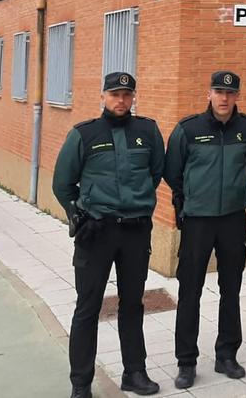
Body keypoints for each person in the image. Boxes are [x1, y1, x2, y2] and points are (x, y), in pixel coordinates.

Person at [52, 72, 165, 398]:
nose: (121, 100)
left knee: (133, 304)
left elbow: (155, 172)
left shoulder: (147, 131)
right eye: (115, 94)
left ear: (133, 98)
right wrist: (78, 215)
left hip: (135, 232)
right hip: (97, 233)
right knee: (87, 308)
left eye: (127, 95)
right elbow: (62, 183)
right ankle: (81, 384)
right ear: (103, 96)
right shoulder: (84, 134)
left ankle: (135, 373)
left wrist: (134, 200)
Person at [163, 70, 246, 389]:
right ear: (209, 93)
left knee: (231, 288)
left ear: (237, 97)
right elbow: (172, 172)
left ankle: (227, 355)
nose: (224, 98)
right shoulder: (188, 129)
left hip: (233, 218)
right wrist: (194, 196)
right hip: (198, 220)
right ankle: (186, 362)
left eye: (230, 93)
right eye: (219, 91)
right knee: (190, 290)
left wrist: (232, 190)